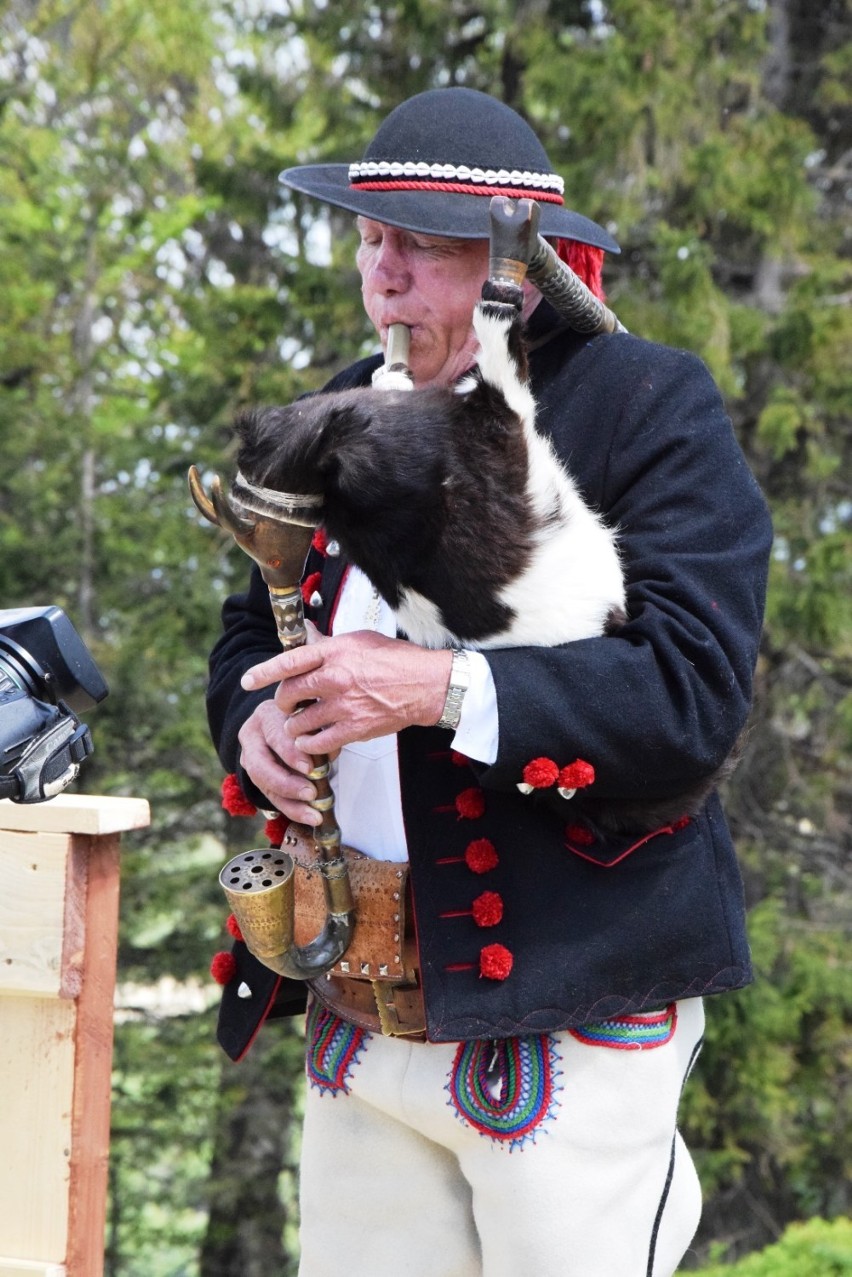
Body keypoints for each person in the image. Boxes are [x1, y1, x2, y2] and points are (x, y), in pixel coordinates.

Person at [205, 87, 772, 1277]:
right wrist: (253, 720)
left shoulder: (642, 406)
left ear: (520, 261)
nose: (385, 274)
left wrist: (432, 687)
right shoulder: (346, 397)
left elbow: (690, 693)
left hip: (567, 1021)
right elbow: (247, 631)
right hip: (358, 1013)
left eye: (424, 242)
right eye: (370, 237)